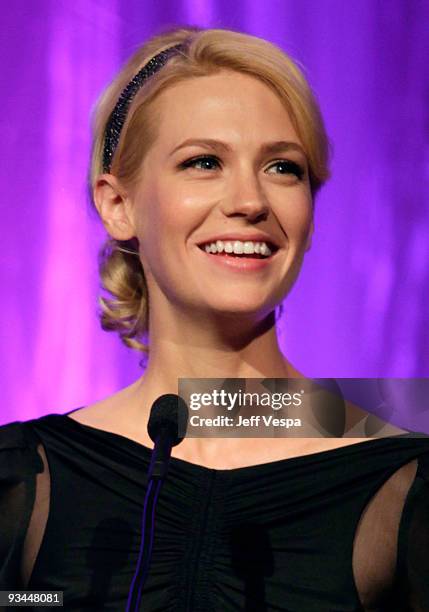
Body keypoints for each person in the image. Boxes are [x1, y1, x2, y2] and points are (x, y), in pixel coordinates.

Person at [1, 25, 428, 611]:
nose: (251, 202)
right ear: (117, 204)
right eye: (204, 162)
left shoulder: (404, 477)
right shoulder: (27, 475)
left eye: (284, 168)